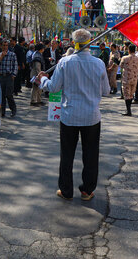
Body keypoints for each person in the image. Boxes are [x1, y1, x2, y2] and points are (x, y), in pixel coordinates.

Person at [37, 28, 110, 201]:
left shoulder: (65, 62)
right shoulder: (99, 63)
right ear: (90, 43)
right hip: (91, 117)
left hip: (69, 116)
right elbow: (106, 91)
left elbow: (53, 87)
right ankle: (87, 190)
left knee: (67, 155)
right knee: (91, 156)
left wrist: (43, 80)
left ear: (73, 42)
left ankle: (66, 190)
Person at [0, 39, 18, 117]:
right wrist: (1, 57)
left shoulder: (12, 55)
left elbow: (15, 66)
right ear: (1, 46)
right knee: (1, 94)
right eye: (3, 45)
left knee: (9, 94)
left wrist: (13, 75)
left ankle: (13, 109)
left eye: (6, 45)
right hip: (1, 76)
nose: (5, 47)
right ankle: (2, 111)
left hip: (9, 76)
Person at [119, 44, 138, 116]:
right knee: (131, 94)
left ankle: (128, 110)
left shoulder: (125, 58)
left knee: (126, 94)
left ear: (129, 50)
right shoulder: (137, 58)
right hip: (134, 78)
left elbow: (121, 66)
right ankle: (129, 110)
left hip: (126, 78)